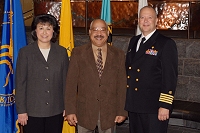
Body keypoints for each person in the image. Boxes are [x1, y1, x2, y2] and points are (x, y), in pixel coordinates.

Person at [64, 19, 127, 133]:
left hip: (109, 114)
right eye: (95, 30)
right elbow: (71, 84)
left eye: (102, 30)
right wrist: (70, 110)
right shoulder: (78, 53)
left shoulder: (119, 54)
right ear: (89, 32)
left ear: (108, 33)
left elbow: (122, 85)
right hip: (84, 113)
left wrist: (121, 111)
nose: (99, 33)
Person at [125, 6, 178, 133]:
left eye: (150, 17)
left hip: (153, 108)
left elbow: (170, 77)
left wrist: (165, 106)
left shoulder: (165, 43)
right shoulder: (134, 41)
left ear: (156, 21)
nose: (145, 21)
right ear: (138, 21)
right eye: (142, 17)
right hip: (134, 105)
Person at [15, 14, 69, 133]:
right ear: (35, 30)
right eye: (41, 28)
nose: (45, 32)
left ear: (53, 31)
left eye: (48, 28)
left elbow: (66, 82)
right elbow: (20, 83)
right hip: (32, 111)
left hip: (56, 109)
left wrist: (67, 106)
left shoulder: (61, 52)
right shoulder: (25, 53)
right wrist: (21, 110)